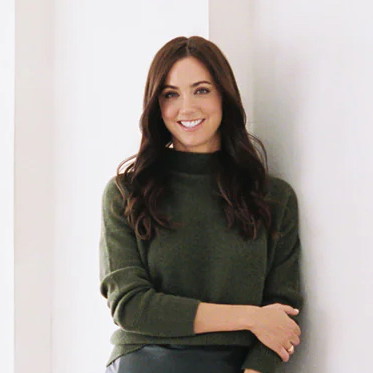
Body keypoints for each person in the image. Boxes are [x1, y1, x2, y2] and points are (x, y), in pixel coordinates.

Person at [99, 35, 303, 373]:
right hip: (147, 362)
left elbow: (284, 313)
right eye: (170, 94)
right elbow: (131, 306)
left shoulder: (273, 197)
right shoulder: (126, 193)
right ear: (156, 106)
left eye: (201, 90)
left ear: (225, 95)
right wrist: (250, 316)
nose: (187, 108)